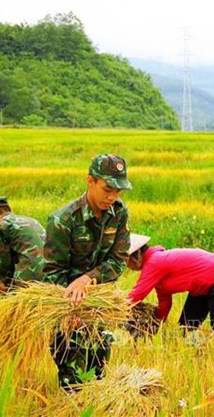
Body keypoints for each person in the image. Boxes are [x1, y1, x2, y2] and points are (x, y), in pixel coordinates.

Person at [43, 154, 132, 389]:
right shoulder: (63, 220)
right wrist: (69, 308)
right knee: (71, 374)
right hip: (67, 304)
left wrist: (88, 278)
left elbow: (119, 260)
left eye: (118, 191)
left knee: (99, 367)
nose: (112, 197)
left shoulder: (120, 213)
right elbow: (53, 271)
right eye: (107, 189)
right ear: (90, 181)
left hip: (99, 303)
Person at [127, 233, 214, 338]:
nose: (126, 266)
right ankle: (198, 354)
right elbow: (165, 303)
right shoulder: (156, 267)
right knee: (186, 328)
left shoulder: (154, 262)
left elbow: (137, 295)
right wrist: (155, 325)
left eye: (126, 261)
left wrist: (117, 308)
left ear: (135, 256)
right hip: (199, 288)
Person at [0, 196, 46, 286]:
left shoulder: (0, 226)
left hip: (31, 279)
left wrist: (4, 283)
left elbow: (5, 261)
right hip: (53, 273)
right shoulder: (32, 220)